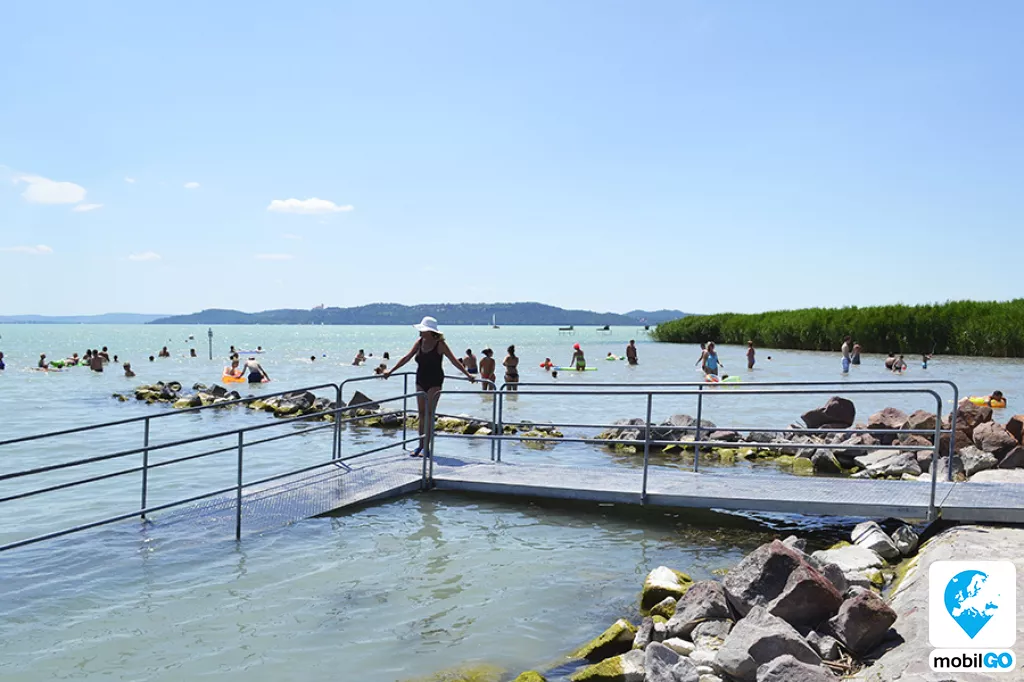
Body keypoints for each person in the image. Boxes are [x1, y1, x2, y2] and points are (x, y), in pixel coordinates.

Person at [383, 316, 475, 457]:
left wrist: (467, 375)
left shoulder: (440, 344)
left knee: (430, 414)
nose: (420, 332)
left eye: (423, 329)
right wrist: (391, 371)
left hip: (435, 380)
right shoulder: (419, 342)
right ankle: (420, 445)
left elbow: (454, 361)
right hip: (420, 379)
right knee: (421, 414)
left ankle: (427, 447)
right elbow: (406, 358)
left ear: (430, 332)